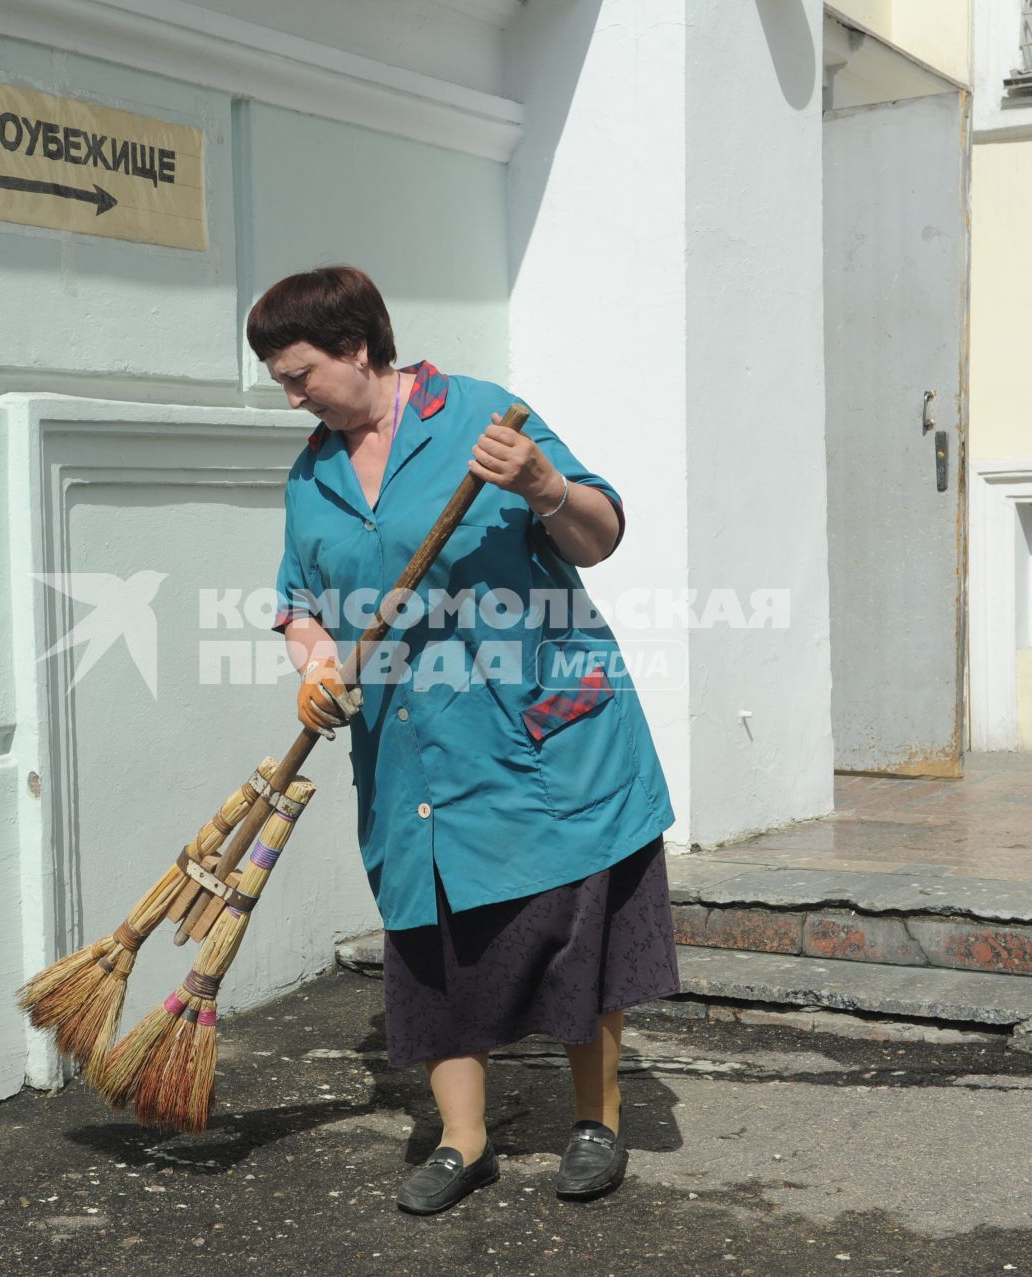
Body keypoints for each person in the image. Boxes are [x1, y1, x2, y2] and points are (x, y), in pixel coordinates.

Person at [250, 266, 679, 1215]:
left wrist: (543, 484)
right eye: (280, 379)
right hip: (413, 754)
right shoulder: (313, 471)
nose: (290, 396)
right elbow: (297, 599)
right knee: (432, 942)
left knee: (575, 934)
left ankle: (596, 1122)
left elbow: (599, 534)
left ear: (359, 349)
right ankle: (464, 1140)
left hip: (537, 733)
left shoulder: (483, 414)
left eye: (300, 372)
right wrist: (314, 665)